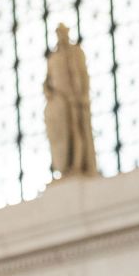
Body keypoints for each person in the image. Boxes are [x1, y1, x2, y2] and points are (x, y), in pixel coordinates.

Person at [44, 23, 98, 178]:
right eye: (58, 33)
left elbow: (82, 75)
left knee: (77, 130)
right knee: (66, 134)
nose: (60, 36)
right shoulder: (53, 58)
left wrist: (83, 96)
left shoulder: (76, 52)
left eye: (62, 32)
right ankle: (66, 166)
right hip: (60, 101)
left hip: (75, 100)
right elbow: (47, 81)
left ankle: (78, 164)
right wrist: (49, 92)